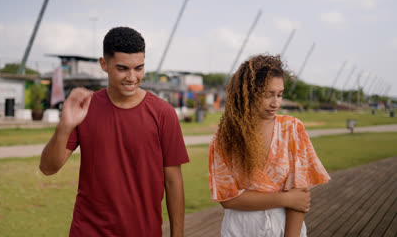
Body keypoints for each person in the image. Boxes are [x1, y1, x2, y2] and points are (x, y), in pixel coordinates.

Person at [39, 27, 189, 236]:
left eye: (139, 68)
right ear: (104, 64)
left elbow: (173, 181)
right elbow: (48, 168)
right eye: (122, 68)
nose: (132, 77)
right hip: (88, 231)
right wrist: (64, 127)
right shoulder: (85, 108)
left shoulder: (163, 113)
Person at [208, 55, 330, 237]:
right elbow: (228, 199)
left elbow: (300, 196)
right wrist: (286, 198)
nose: (276, 103)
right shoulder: (224, 138)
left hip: (285, 229)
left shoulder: (292, 129)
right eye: (268, 95)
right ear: (247, 94)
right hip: (241, 230)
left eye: (279, 94)